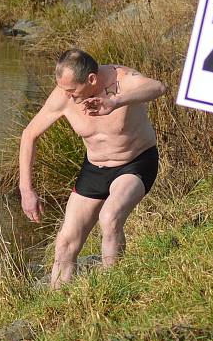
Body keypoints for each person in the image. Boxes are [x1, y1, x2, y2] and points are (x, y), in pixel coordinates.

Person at [19, 49, 166, 288]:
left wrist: (116, 101)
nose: (66, 95)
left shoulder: (123, 80)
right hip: (95, 168)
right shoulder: (62, 96)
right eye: (63, 89)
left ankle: (110, 290)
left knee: (109, 217)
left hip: (135, 162)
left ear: (91, 80)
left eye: (71, 90)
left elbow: (159, 87)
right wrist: (27, 190)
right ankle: (57, 307)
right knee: (65, 244)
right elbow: (29, 135)